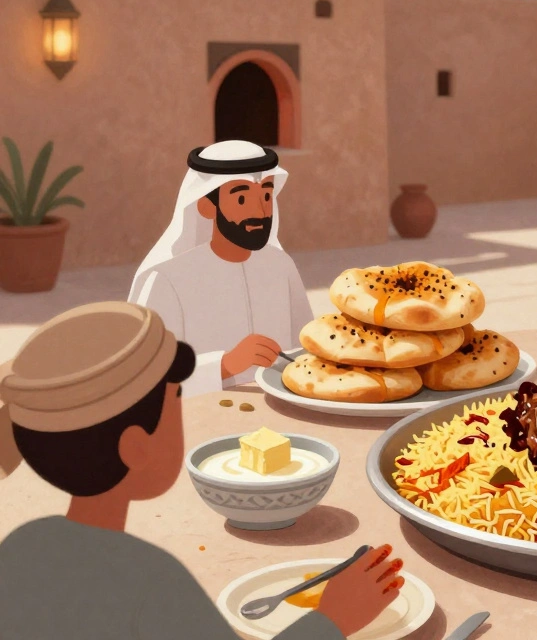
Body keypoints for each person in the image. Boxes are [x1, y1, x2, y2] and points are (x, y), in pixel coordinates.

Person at [0, 302, 403, 639]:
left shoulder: (23, 544)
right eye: (176, 400)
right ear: (136, 447)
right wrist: (331, 619)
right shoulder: (150, 581)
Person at [128, 141, 313, 395]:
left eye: (266, 196)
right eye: (241, 198)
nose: (260, 212)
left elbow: (307, 349)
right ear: (207, 206)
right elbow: (146, 379)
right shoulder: (166, 280)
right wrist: (225, 365)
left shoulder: (281, 266)